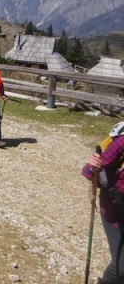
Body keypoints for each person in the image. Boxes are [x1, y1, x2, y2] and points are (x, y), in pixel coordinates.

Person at [81, 121, 124, 284]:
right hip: (116, 211)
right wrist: (93, 167)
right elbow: (88, 171)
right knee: (121, 267)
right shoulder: (122, 141)